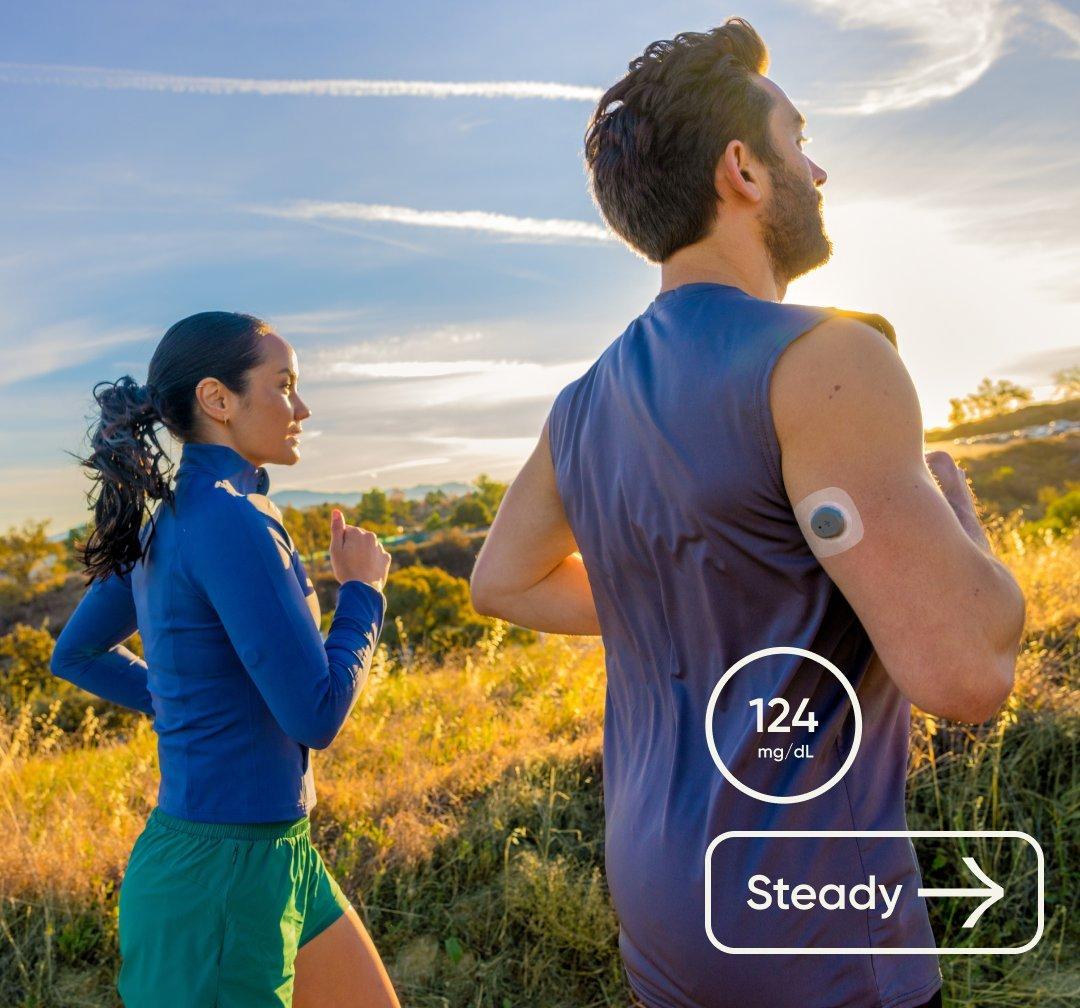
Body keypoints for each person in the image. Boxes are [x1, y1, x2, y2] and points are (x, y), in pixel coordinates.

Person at [470, 18, 1025, 1008]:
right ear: (744, 171)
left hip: (660, 909)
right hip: (810, 932)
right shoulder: (829, 359)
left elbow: (500, 582)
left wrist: (698, 599)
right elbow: (966, 676)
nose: (818, 168)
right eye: (797, 137)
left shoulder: (582, 404)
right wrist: (953, 501)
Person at [50, 311, 401, 1008]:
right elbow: (317, 716)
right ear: (218, 400)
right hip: (219, 878)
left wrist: (186, 698)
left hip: (280, 854)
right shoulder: (229, 519)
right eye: (283, 385)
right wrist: (362, 591)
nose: (301, 408)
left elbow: (78, 653)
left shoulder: (180, 516)